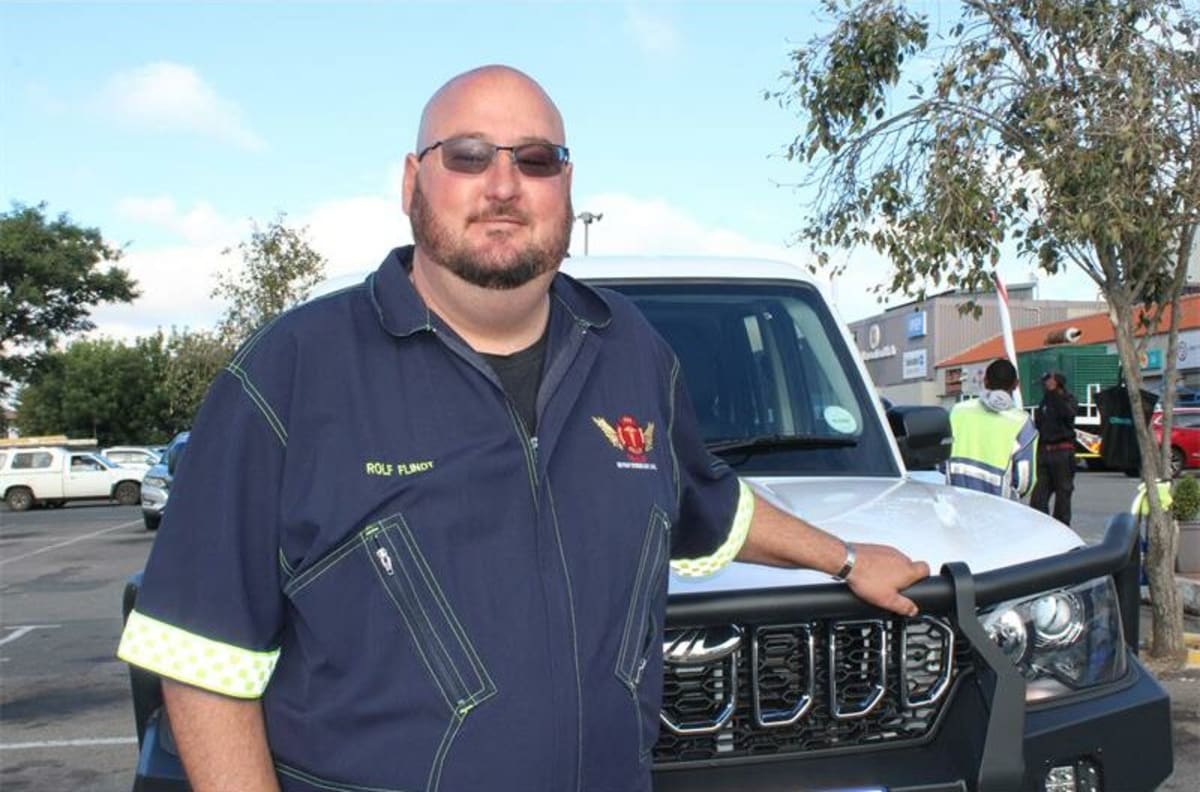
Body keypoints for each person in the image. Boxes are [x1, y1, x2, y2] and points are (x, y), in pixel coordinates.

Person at [117, 65, 928, 792]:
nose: (503, 184)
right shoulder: (291, 372)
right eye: (468, 155)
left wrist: (849, 557)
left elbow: (707, 506)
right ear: (412, 180)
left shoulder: (631, 352)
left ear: (567, 189)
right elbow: (202, 654)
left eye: (536, 160)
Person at [947, 358, 1037, 499]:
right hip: (997, 511)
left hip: (957, 504)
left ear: (985, 381)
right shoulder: (1022, 422)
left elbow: (941, 461)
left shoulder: (958, 411)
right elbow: (1023, 483)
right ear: (1016, 385)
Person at [1031, 370, 1079, 524]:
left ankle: (1062, 529)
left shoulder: (1067, 399)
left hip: (1063, 452)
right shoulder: (1045, 401)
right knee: (1038, 498)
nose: (1045, 386)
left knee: (1063, 495)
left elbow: (1068, 415)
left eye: (1048, 382)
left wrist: (1055, 394)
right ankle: (1043, 528)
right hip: (1045, 452)